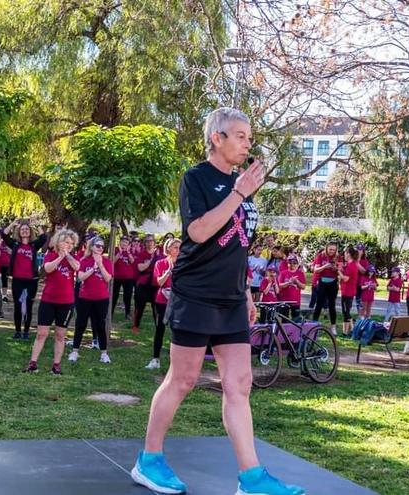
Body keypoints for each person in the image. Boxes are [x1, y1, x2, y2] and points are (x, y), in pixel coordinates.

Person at [132, 108, 304, 495]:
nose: (248, 143)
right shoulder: (197, 178)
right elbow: (199, 230)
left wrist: (244, 292)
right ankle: (149, 459)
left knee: (239, 384)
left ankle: (251, 477)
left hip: (230, 299)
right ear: (217, 138)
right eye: (240, 136)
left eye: (249, 136)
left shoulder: (240, 185)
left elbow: (239, 245)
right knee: (183, 379)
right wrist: (239, 192)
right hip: (195, 294)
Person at [25, 229, 79, 374]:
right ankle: (33, 363)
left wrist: (67, 255)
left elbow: (77, 267)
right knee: (42, 333)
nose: (68, 245)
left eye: (71, 243)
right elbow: (48, 269)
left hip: (66, 302)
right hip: (48, 300)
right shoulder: (51, 255)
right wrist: (60, 257)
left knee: (60, 334)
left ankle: (56, 365)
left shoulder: (73, 257)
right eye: (65, 242)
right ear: (58, 242)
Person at [68, 236, 114, 365]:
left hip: (101, 298)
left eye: (102, 246)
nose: (100, 248)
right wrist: (93, 268)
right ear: (91, 247)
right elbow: (81, 277)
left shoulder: (106, 261)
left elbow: (107, 278)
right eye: (98, 246)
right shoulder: (84, 260)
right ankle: (75, 351)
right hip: (85, 297)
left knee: (100, 325)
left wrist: (100, 265)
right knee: (80, 324)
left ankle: (104, 353)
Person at [1, 219, 49, 340]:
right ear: (19, 232)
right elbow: (4, 234)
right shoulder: (15, 244)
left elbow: (43, 238)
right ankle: (17, 331)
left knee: (28, 306)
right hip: (17, 280)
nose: (25, 231)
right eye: (22, 229)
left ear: (30, 232)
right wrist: (12, 224)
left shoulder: (34, 245)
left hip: (31, 281)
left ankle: (26, 332)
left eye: (27, 229)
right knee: (17, 305)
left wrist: (36, 224)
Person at [146, 238, 181, 370]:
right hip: (162, 300)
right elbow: (159, 282)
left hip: (178, 301)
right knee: (160, 329)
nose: (178, 250)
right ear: (168, 249)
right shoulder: (160, 263)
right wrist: (169, 271)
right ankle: (155, 359)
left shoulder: (184, 263)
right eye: (175, 247)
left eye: (180, 247)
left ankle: (176, 363)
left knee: (176, 331)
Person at [132, 234, 162, 334]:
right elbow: (140, 268)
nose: (149, 243)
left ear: (154, 242)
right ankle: (135, 326)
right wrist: (151, 259)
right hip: (143, 284)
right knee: (139, 306)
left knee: (156, 307)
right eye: (147, 241)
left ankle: (158, 327)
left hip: (155, 284)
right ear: (145, 243)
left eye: (151, 241)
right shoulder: (142, 254)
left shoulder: (160, 255)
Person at [312, 242, 340, 334]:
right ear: (326, 248)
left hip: (333, 282)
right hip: (322, 282)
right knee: (319, 304)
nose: (332, 251)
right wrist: (325, 266)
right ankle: (314, 325)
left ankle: (333, 327)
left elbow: (341, 270)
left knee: (332, 305)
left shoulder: (338, 257)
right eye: (330, 249)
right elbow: (316, 269)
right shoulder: (321, 256)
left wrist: (335, 268)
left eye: (334, 250)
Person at [112, 236, 137, 320]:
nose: (124, 243)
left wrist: (128, 252)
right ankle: (110, 312)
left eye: (126, 242)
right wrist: (120, 253)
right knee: (114, 295)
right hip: (117, 277)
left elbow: (133, 261)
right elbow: (112, 261)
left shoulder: (131, 251)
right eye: (123, 241)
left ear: (128, 244)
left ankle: (127, 313)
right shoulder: (115, 250)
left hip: (128, 278)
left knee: (128, 296)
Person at [338, 247, 359, 336]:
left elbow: (345, 278)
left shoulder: (352, 265)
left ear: (349, 254)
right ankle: (351, 329)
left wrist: (338, 271)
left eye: (345, 253)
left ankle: (346, 332)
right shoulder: (349, 264)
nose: (344, 255)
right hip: (345, 291)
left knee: (346, 311)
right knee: (345, 311)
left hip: (348, 291)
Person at [278, 254, 306, 319]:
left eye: (295, 263)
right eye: (290, 262)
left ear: (297, 264)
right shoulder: (283, 273)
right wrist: (289, 282)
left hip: (296, 301)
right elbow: (279, 285)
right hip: (285, 300)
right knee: (284, 320)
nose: (292, 264)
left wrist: (297, 281)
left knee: (295, 320)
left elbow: (303, 287)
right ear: (287, 263)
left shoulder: (300, 273)